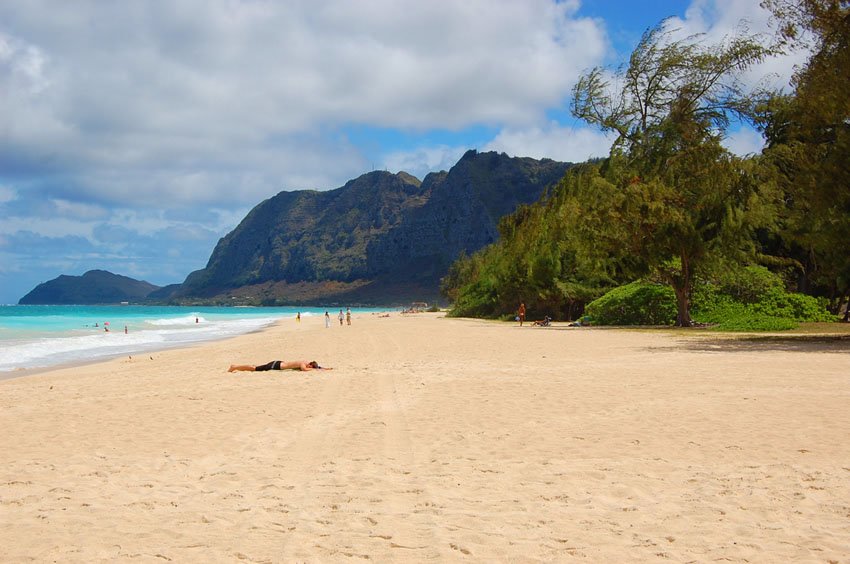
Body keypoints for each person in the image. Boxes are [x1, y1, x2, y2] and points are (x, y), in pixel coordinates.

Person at [228, 360, 332, 372]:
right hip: (275, 366)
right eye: (311, 367)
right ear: (309, 364)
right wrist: (314, 370)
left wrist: (325, 369)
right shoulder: (303, 364)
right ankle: (235, 367)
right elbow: (304, 369)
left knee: (255, 367)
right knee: (254, 368)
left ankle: (236, 366)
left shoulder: (307, 362)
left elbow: (317, 367)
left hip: (277, 363)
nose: (310, 368)